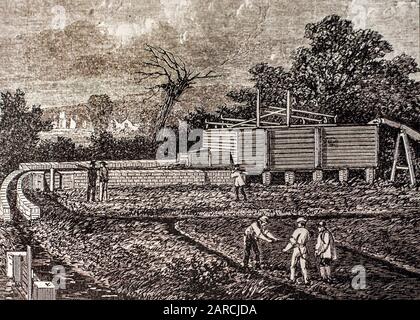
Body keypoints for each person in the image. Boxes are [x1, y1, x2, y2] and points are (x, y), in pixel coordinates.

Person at [283, 217, 310, 285]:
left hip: (297, 249)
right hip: (303, 248)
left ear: (301, 223)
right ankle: (306, 280)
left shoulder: (297, 230)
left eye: (298, 223)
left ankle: (292, 279)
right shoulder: (307, 231)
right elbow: (307, 240)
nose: (298, 224)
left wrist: (286, 249)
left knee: (293, 265)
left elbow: (292, 241)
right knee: (303, 266)